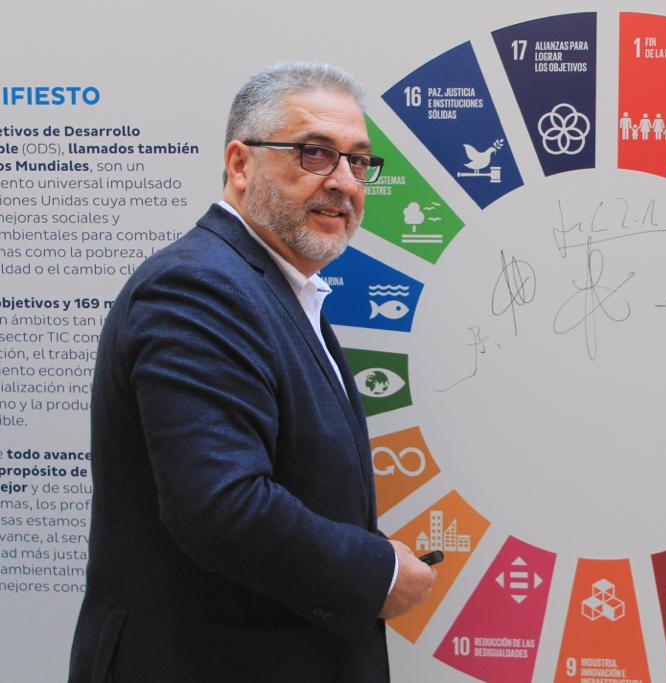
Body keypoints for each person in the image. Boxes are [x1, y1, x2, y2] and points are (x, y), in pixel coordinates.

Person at [68, 62, 435, 683]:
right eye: (314, 153)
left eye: (358, 161)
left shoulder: (270, 284)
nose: (343, 182)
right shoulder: (199, 287)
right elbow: (222, 504)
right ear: (240, 165)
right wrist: (377, 573)